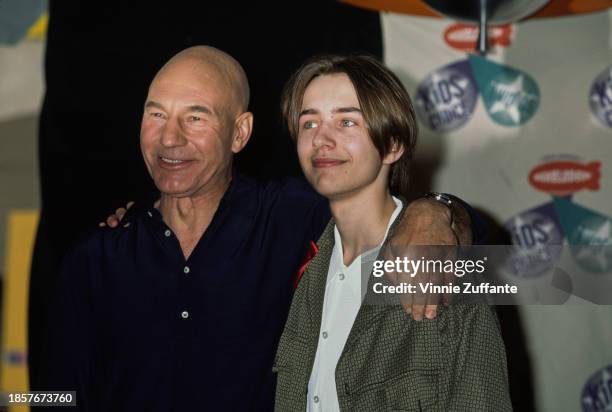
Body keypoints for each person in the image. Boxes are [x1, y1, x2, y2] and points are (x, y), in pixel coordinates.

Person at [40, 46, 475, 411]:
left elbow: (488, 268)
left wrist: (434, 211)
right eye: (156, 115)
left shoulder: (295, 216)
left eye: (195, 118)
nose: (169, 139)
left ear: (239, 133)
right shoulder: (96, 256)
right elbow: (51, 395)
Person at [273, 54, 511, 411]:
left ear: (392, 145)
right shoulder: (306, 269)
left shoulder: (446, 270)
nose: (321, 138)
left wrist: (439, 209)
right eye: (309, 124)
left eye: (346, 122)